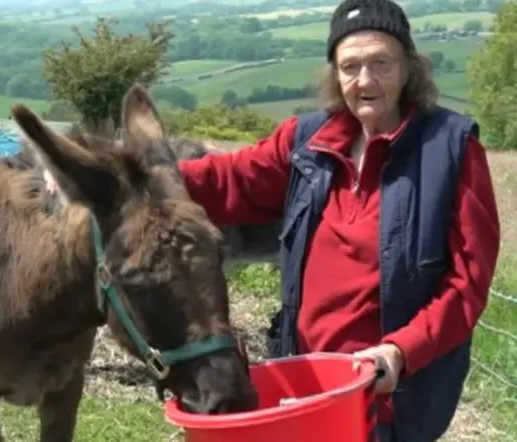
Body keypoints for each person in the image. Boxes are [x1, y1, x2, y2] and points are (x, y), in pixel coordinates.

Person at [176, 0, 501, 440]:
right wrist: (120, 174)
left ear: (408, 66)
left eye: (380, 63)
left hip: (387, 396)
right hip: (307, 383)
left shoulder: (450, 148)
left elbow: (468, 282)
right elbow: (226, 179)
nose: (364, 81)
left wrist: (401, 351)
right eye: (350, 67)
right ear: (335, 75)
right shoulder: (307, 142)